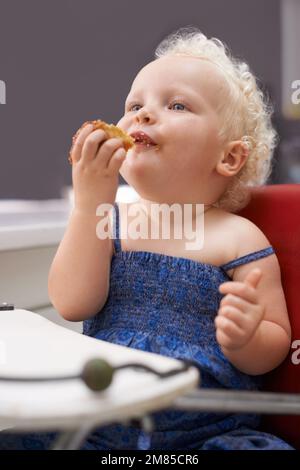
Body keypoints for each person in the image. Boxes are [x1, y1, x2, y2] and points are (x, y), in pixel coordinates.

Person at [0, 27, 293, 450]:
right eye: (133, 105)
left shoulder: (239, 237)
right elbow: (72, 302)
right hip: (98, 420)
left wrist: (247, 337)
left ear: (229, 156)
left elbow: (275, 345)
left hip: (207, 429)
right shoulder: (111, 221)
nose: (142, 115)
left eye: (176, 104)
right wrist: (89, 205)